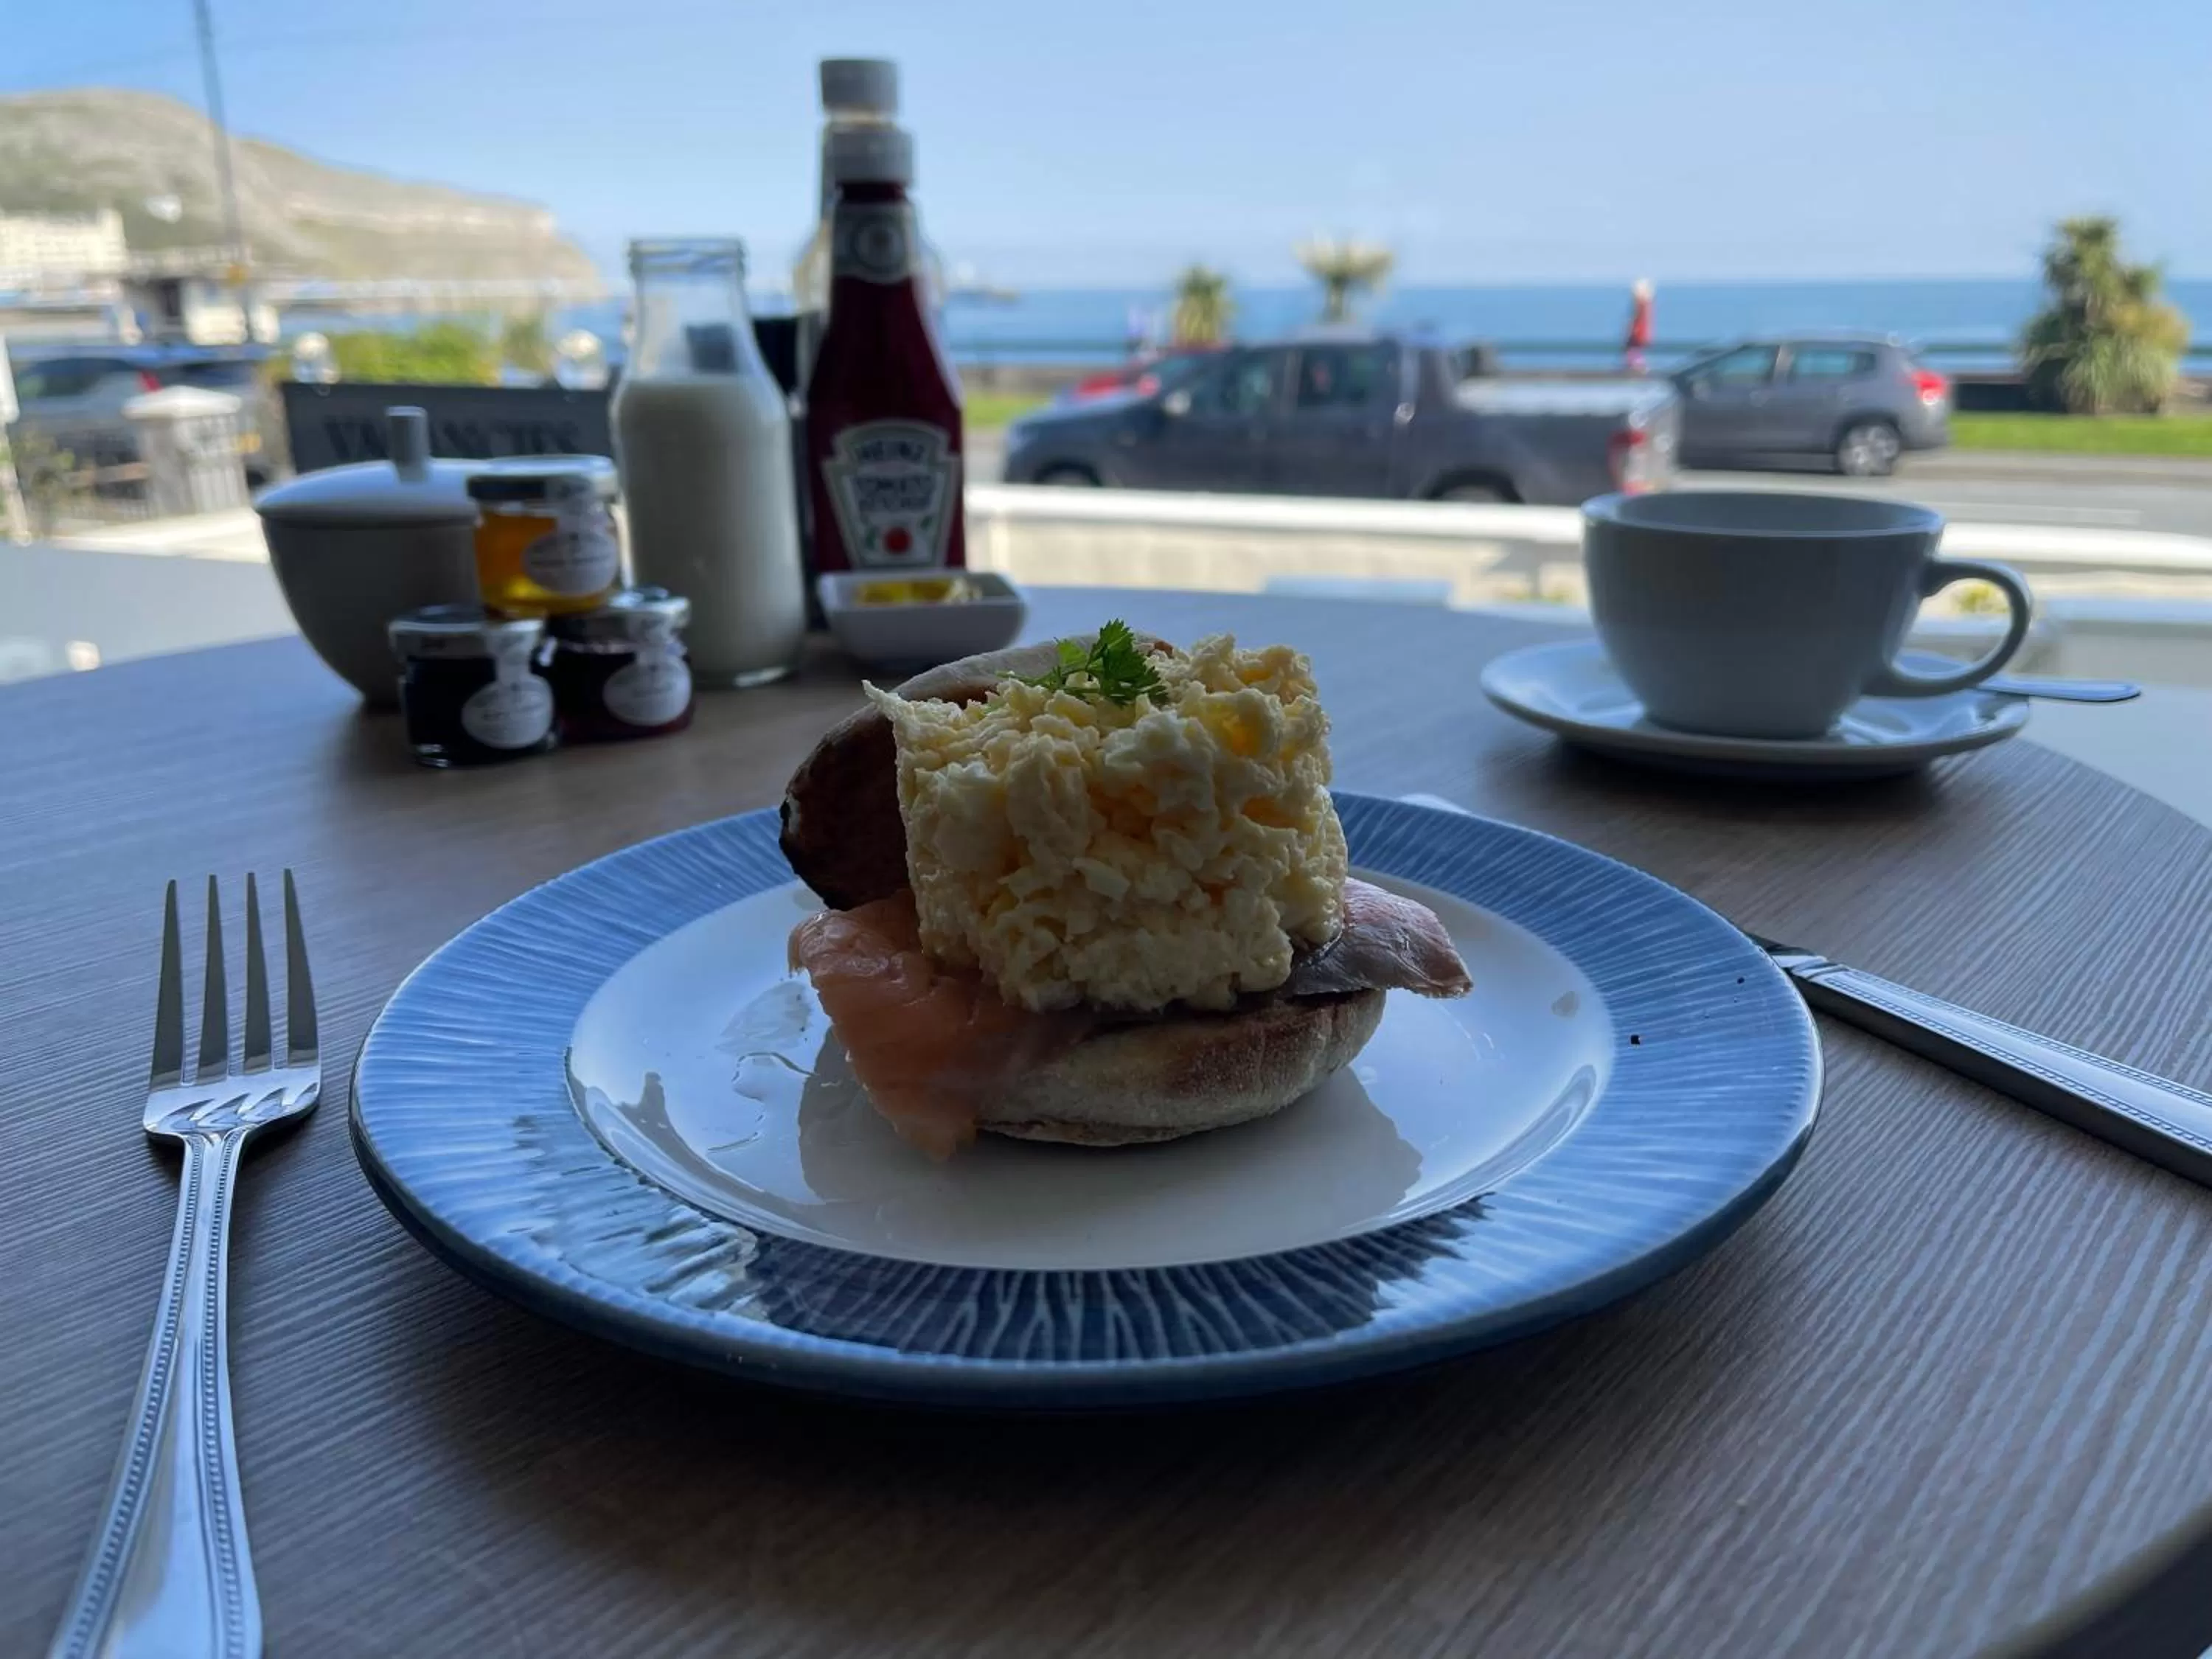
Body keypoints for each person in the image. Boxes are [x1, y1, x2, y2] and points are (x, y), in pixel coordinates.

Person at [1624, 277, 1655, 374]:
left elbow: (1638, 319)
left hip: (1638, 332)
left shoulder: (1642, 305)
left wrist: (1633, 330)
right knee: (1635, 351)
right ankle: (1637, 366)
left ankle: (1636, 367)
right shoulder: (1646, 304)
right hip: (1640, 333)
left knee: (1634, 350)